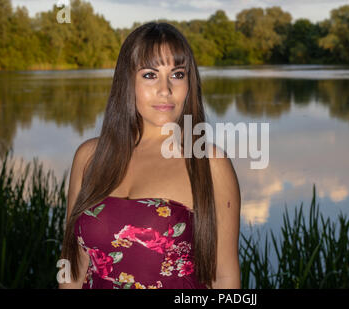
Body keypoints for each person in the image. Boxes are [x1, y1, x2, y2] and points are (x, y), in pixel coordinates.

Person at [58, 22, 241, 289]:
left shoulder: (208, 163)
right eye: (150, 75)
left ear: (190, 83)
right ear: (127, 81)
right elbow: (72, 268)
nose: (165, 89)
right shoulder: (89, 157)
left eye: (177, 75)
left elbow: (224, 277)